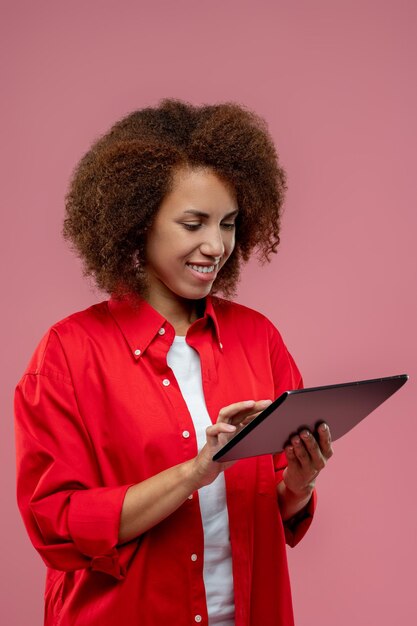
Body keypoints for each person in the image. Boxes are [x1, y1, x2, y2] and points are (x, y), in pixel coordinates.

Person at [14, 99, 333, 626]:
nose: (216, 245)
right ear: (138, 223)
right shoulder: (68, 354)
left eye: (229, 224)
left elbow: (272, 513)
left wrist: (299, 485)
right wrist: (195, 472)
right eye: (193, 223)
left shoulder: (260, 338)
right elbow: (57, 522)